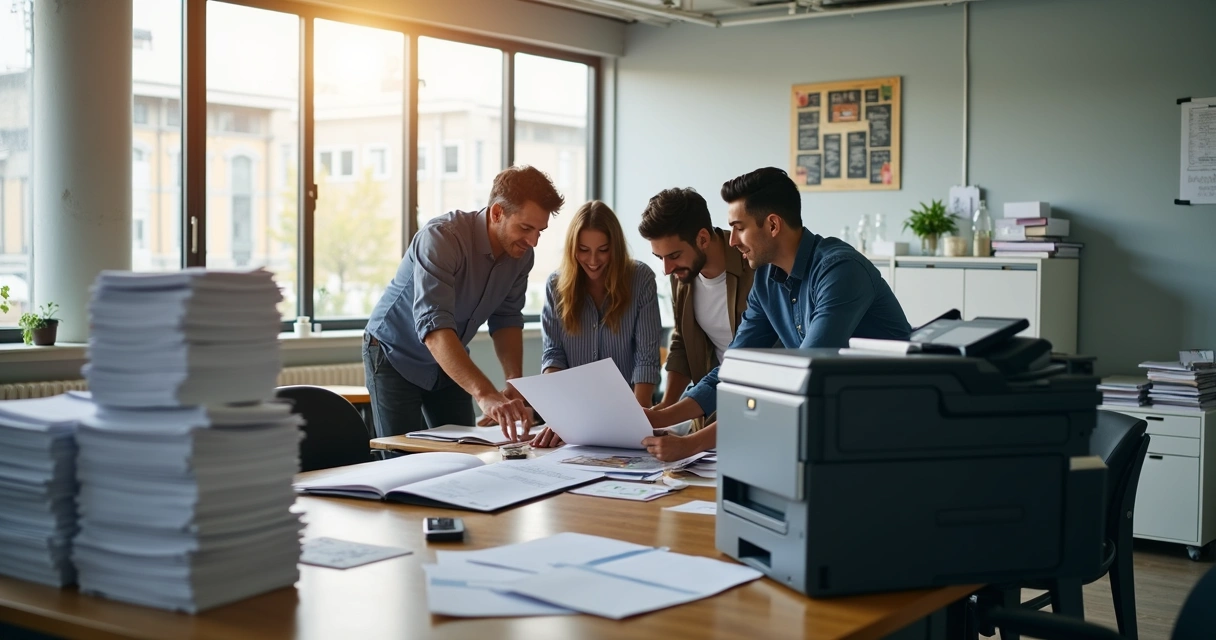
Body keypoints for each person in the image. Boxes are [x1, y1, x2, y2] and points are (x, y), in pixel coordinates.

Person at [644, 167, 911, 442]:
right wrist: (658, 416)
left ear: (772, 225)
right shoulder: (766, 281)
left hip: (888, 425)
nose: (732, 240)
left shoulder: (840, 270)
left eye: (738, 228)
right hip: (834, 422)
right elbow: (735, 367)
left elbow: (804, 375)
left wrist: (690, 445)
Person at [363, 165, 564, 440]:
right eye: (526, 228)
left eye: (540, 231)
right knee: (400, 457)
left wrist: (514, 382)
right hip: (394, 353)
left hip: (448, 357)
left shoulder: (521, 255)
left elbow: (506, 318)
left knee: (464, 449)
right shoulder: (441, 238)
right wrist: (485, 393)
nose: (533, 241)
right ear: (496, 213)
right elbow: (434, 330)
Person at [634, 187, 756, 461]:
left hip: (751, 399)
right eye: (660, 258)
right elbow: (681, 344)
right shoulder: (681, 275)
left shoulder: (754, 265)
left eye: (674, 256)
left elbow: (753, 360)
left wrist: (672, 420)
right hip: (711, 399)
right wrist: (664, 409)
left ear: (702, 238)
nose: (666, 269)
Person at [530, 201, 662, 448]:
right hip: (575, 419)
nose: (592, 260)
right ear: (572, 249)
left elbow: (646, 359)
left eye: (603, 250)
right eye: (583, 249)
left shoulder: (640, 279)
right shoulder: (555, 286)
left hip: (629, 414)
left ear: (616, 247)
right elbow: (554, 355)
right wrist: (560, 415)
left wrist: (637, 420)